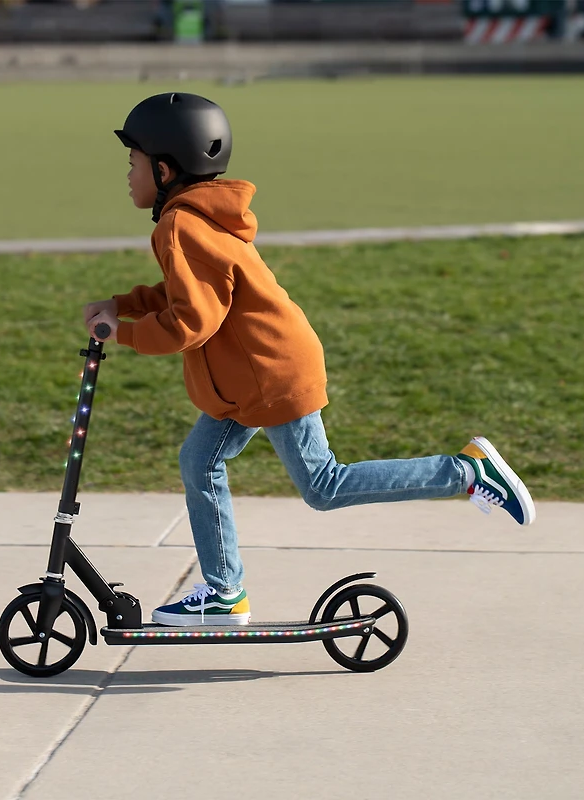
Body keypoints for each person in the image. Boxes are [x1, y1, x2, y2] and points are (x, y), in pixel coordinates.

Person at [84, 92, 535, 627]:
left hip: (270, 376)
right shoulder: (195, 220)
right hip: (248, 380)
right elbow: (189, 291)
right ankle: (224, 592)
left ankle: (465, 472)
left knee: (324, 486)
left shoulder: (180, 226)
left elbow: (192, 322)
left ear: (164, 168)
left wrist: (127, 334)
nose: (127, 174)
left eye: (132, 163)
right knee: (198, 462)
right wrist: (125, 304)